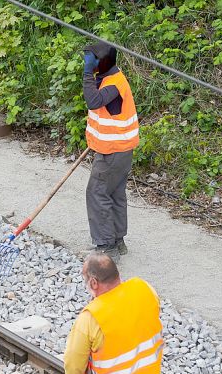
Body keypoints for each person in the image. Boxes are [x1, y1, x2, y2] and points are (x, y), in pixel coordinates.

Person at [82, 41, 140, 262]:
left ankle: (106, 248)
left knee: (97, 193)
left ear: (102, 63)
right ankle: (117, 240)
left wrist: (87, 73)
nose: (87, 64)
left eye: (91, 60)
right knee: (114, 193)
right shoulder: (110, 77)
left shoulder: (114, 85)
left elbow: (93, 100)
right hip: (120, 149)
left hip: (113, 152)